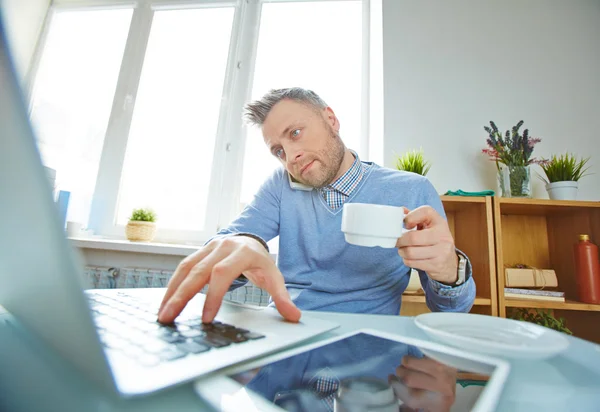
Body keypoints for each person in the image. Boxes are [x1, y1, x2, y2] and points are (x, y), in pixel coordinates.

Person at [158, 88, 475, 325]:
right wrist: (243, 242)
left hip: (368, 357)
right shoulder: (280, 186)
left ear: (331, 119)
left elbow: (452, 310)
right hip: (286, 339)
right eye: (279, 150)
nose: (291, 155)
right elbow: (233, 239)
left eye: (295, 133)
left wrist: (448, 270)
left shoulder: (411, 189)